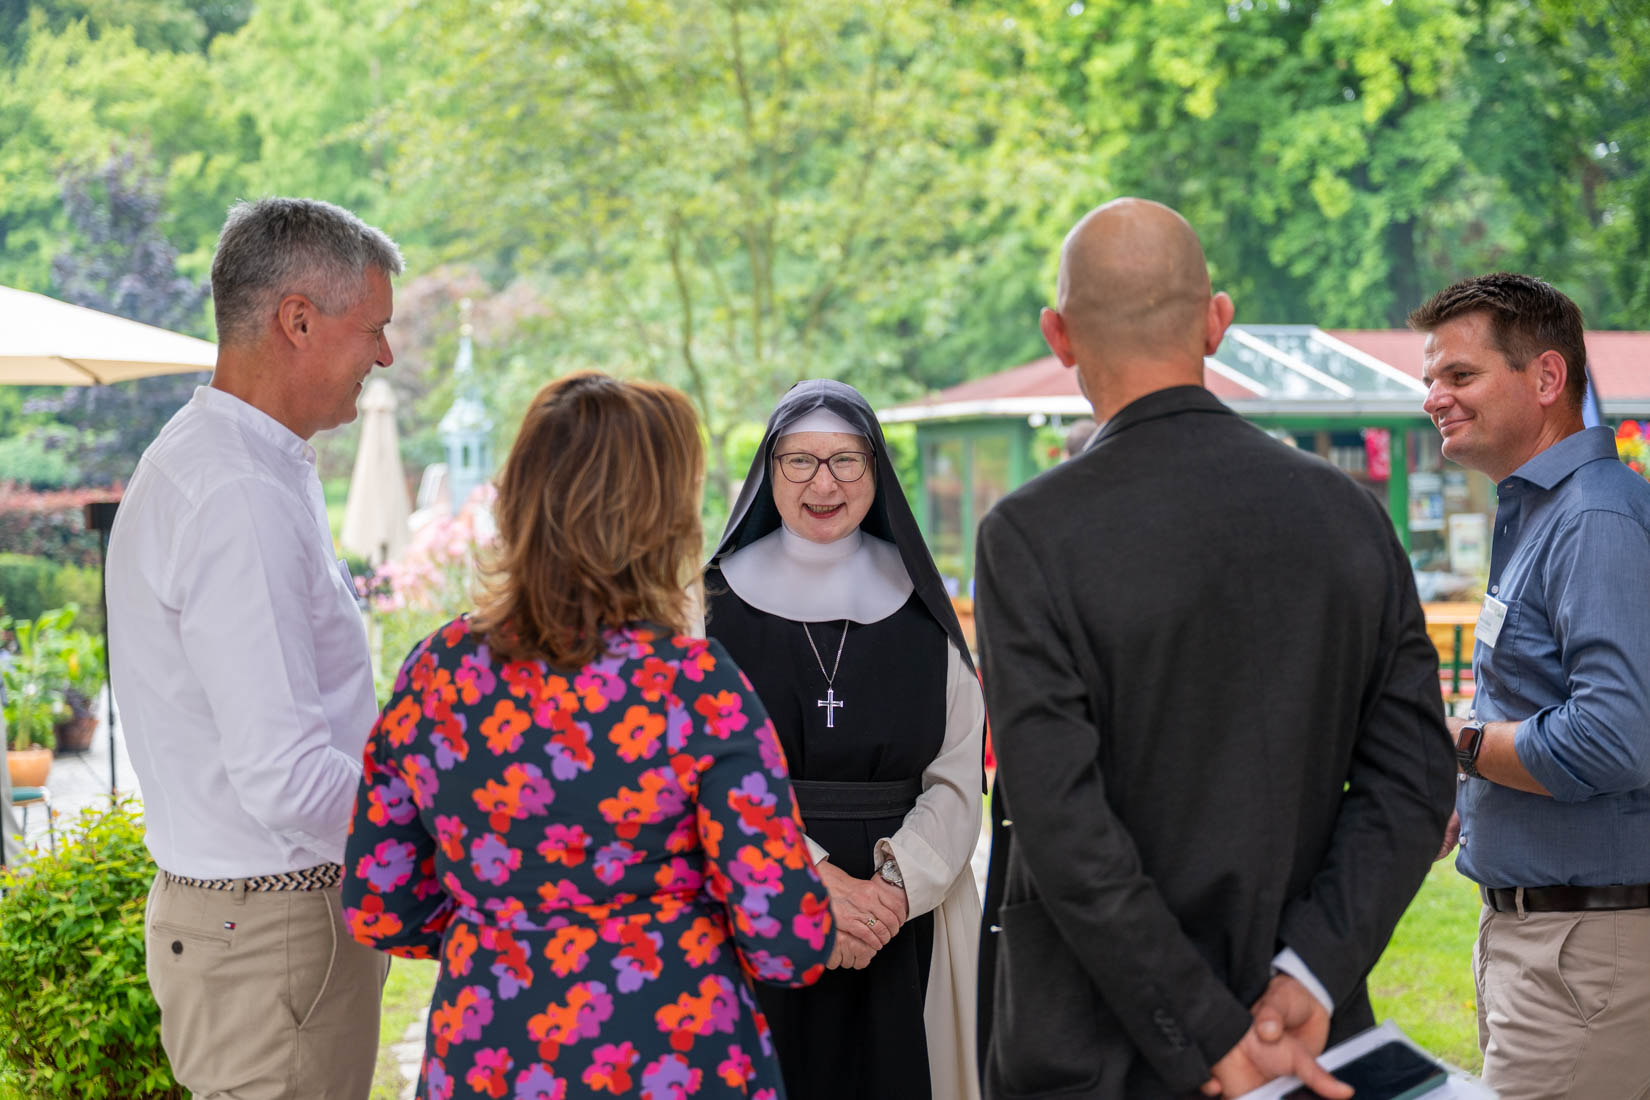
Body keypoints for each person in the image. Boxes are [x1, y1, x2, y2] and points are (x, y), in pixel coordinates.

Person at [974, 198, 1456, 1100]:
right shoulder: (1347, 514)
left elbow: (1062, 824)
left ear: (1059, 335)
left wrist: (1209, 1030)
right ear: (1218, 322)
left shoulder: (1030, 535)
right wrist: (1308, 977)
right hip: (1310, 1039)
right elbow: (1413, 779)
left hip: (1099, 1048)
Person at [341, 372, 834, 1099]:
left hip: (489, 1053)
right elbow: (789, 937)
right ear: (661, 520)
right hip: (676, 1056)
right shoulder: (694, 687)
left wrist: (508, 924)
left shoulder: (437, 674)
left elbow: (380, 904)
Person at [105, 197, 400, 1098]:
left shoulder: (248, 466)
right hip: (272, 931)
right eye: (374, 329)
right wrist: (445, 823)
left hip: (262, 928)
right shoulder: (236, 493)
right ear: (298, 321)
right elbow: (285, 775)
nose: (384, 356)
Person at [704, 379, 986, 1100]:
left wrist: (892, 891)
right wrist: (807, 884)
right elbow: (696, 775)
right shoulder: (706, 607)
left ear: (876, 470)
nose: (823, 483)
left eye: (846, 461)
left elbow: (956, 780)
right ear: (769, 472)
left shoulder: (926, 609)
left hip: (906, 918)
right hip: (756, 908)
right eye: (800, 461)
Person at [1412, 273, 1650, 1100]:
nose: (1435, 398)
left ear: (1547, 380)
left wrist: (1461, 744)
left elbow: (1616, 738)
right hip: (1550, 943)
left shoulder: (1594, 518)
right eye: (1430, 380)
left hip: (1587, 951)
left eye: (1460, 376)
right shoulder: (1545, 513)